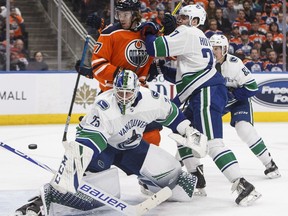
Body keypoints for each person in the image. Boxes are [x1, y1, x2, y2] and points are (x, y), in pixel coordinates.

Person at [14, 69, 208, 215]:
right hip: (104, 149)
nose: (123, 98)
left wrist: (189, 131)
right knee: (100, 195)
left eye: (128, 93)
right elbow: (89, 143)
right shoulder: (104, 106)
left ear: (137, 90)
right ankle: (45, 199)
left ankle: (149, 184)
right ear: (114, 89)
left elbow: (173, 114)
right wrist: (74, 166)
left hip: (132, 147)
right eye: (119, 93)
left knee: (180, 186)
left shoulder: (151, 100)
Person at [142, 4, 261, 205]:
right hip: (201, 93)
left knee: (213, 143)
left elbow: (154, 47)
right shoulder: (196, 35)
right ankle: (197, 180)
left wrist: (149, 30)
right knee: (184, 136)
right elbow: (185, 76)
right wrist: (162, 68)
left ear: (195, 21)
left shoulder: (187, 32)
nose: (179, 20)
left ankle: (243, 185)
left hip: (206, 93)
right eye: (178, 17)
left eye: (183, 17)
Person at [76, 0, 175, 146]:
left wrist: (171, 33)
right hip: (112, 93)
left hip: (139, 93)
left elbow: (171, 53)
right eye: (119, 14)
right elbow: (98, 65)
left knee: (151, 134)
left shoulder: (148, 34)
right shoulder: (109, 33)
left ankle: (151, 165)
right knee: (102, 136)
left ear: (136, 15)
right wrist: (125, 77)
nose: (121, 18)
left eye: (126, 14)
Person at [209, 34, 281, 179]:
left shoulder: (235, 63)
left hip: (237, 100)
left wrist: (233, 95)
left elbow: (252, 87)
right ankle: (184, 165)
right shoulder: (205, 63)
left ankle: (269, 164)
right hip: (216, 101)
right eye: (211, 48)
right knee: (199, 129)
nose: (213, 51)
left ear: (224, 49)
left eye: (216, 48)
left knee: (244, 129)